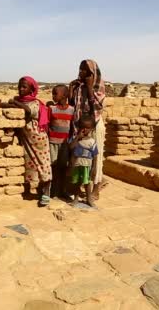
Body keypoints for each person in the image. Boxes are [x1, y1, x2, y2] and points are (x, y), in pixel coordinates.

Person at [9, 76, 53, 207]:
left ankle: (46, 192)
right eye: (19, 86)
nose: (21, 89)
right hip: (27, 138)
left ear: (31, 89)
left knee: (43, 164)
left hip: (38, 139)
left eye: (24, 87)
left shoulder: (34, 103)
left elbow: (28, 111)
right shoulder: (20, 101)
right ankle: (30, 189)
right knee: (29, 165)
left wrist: (14, 102)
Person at [69, 59, 106, 198]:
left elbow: (96, 107)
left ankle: (95, 188)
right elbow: (73, 105)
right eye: (80, 69)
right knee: (79, 156)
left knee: (96, 157)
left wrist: (90, 89)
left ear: (92, 72)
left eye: (84, 70)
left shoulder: (98, 87)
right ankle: (79, 185)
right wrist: (71, 88)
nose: (81, 72)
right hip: (80, 126)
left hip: (94, 126)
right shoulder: (80, 86)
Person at [48, 85, 74, 199]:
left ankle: (62, 190)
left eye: (55, 93)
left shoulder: (72, 110)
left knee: (63, 167)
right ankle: (53, 191)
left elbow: (72, 127)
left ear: (64, 95)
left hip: (65, 144)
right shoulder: (52, 109)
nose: (53, 96)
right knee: (53, 167)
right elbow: (47, 124)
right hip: (53, 143)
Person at [68, 115, 98, 207]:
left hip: (86, 166)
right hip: (76, 165)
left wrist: (94, 168)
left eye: (87, 128)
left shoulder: (92, 141)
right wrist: (78, 137)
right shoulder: (75, 139)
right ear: (79, 127)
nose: (84, 130)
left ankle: (89, 199)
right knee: (76, 182)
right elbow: (71, 147)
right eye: (82, 127)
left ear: (92, 129)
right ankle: (76, 198)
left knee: (87, 183)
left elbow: (95, 156)